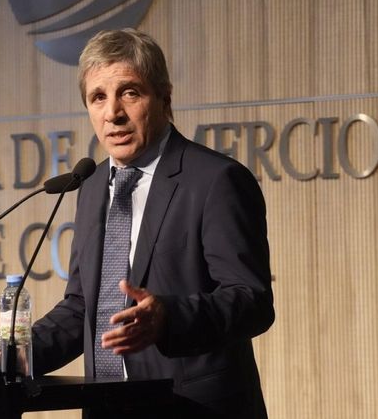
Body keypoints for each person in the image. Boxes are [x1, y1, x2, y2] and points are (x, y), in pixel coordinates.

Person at [31, 29, 274, 418]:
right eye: (98, 97)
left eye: (130, 92)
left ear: (164, 97)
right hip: (107, 407)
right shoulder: (91, 186)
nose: (113, 112)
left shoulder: (215, 180)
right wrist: (15, 354)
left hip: (192, 407)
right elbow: (82, 307)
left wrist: (168, 318)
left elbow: (252, 301)